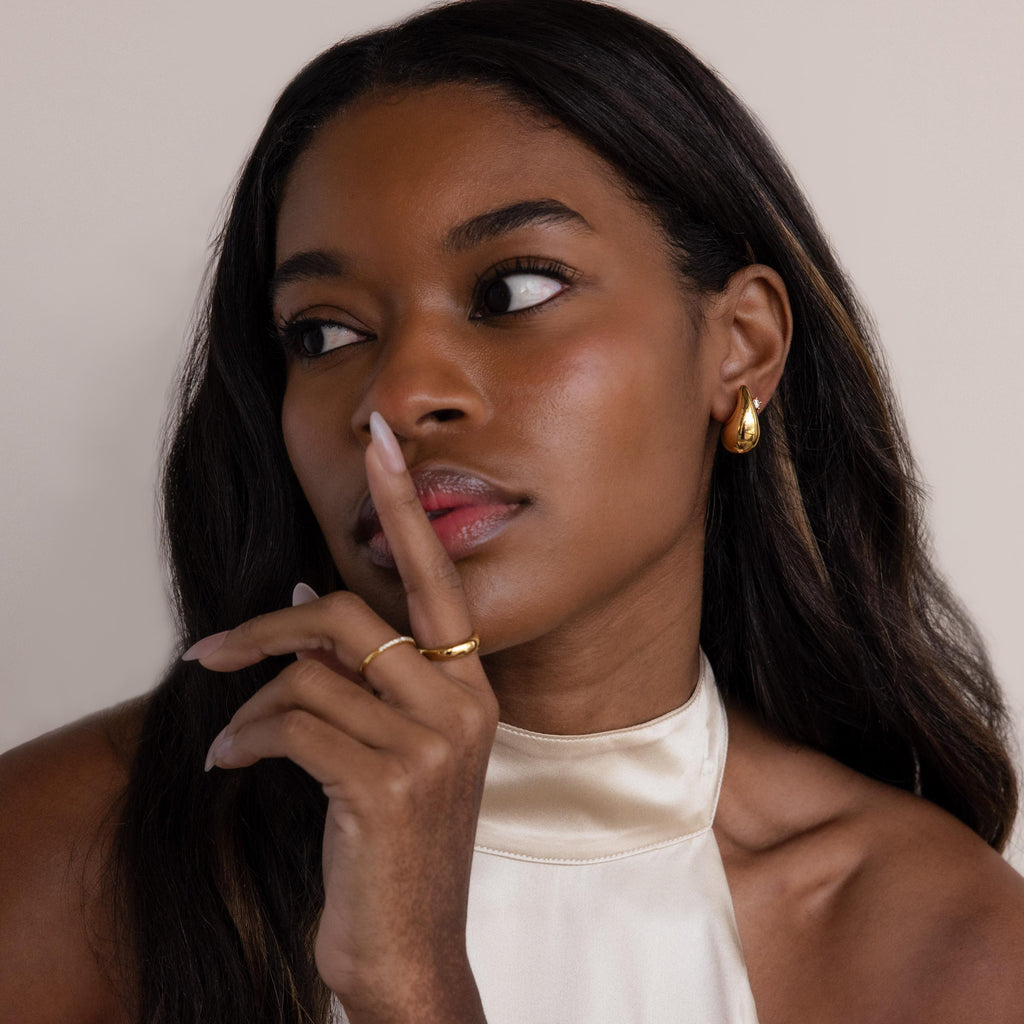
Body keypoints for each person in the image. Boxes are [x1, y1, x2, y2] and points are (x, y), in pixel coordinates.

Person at [2, 0, 1022, 1021]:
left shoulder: (941, 944)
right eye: (322, 333)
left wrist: (410, 987)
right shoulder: (62, 859)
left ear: (738, 345)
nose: (396, 397)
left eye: (513, 289)